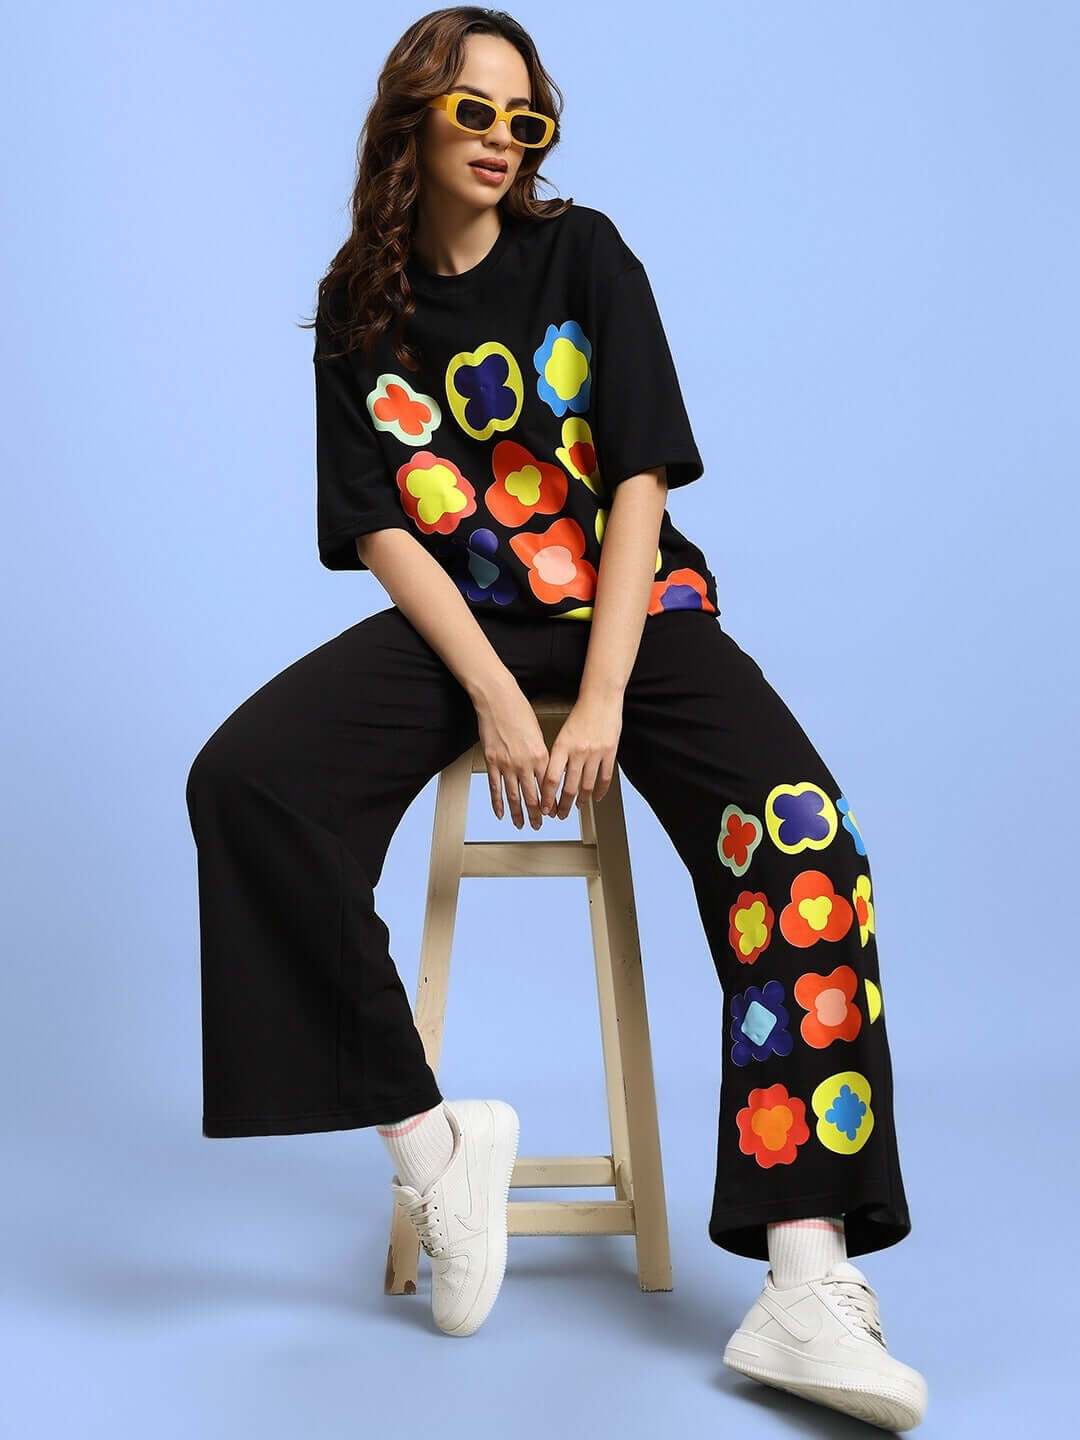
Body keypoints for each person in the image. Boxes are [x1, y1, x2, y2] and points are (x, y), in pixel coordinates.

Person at [184, 5, 928, 1428]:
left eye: (524, 118)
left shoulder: (582, 252)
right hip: (466, 615)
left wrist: (595, 696)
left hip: (633, 610)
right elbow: (381, 531)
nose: (500, 140)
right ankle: (430, 1143)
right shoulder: (361, 303)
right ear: (412, 113)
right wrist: (490, 694)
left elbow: (640, 476)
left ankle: (803, 1275)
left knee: (805, 840)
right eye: (475, 111)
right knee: (248, 781)